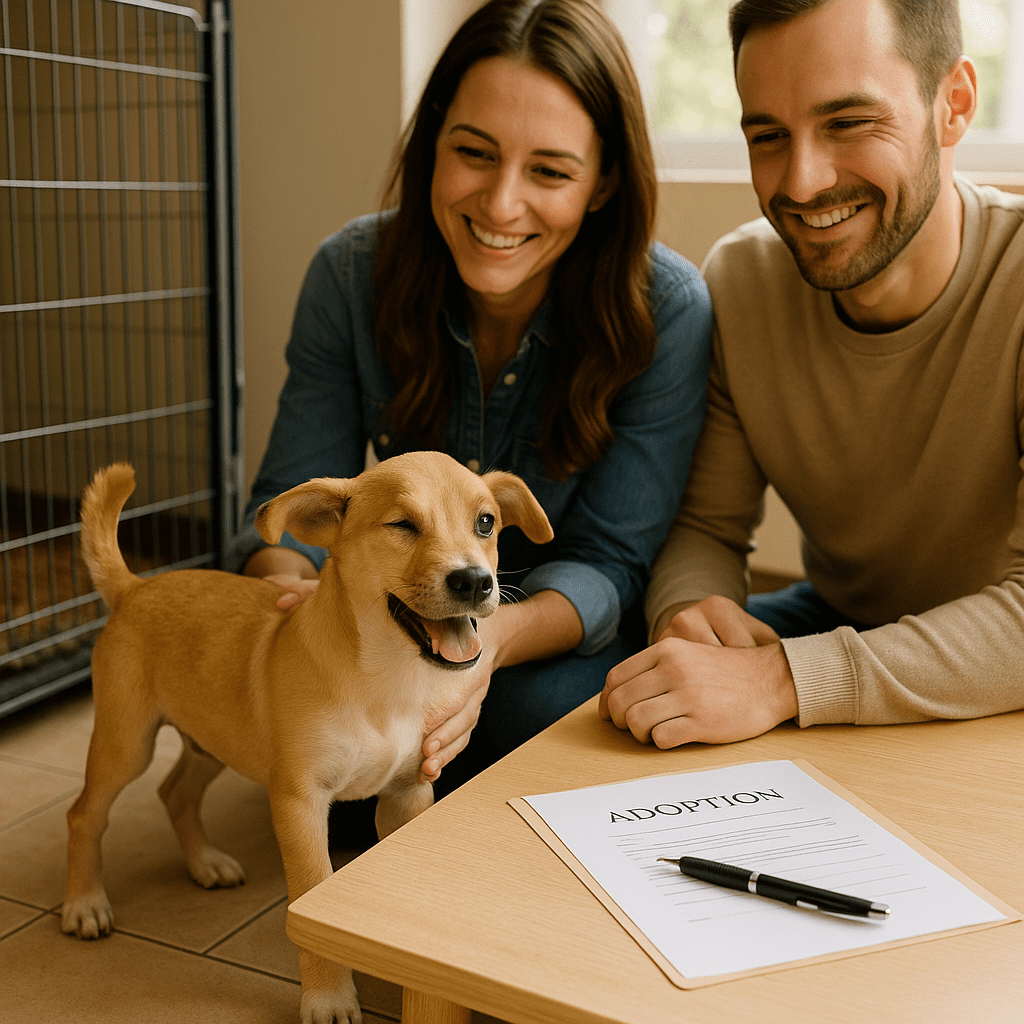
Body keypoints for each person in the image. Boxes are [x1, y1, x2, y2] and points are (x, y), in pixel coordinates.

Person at [226, 0, 713, 792]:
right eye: (474, 154)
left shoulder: (668, 308)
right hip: (388, 621)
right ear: (431, 148)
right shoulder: (348, 277)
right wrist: (295, 597)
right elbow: (287, 509)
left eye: (550, 171)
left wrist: (487, 646)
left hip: (540, 635)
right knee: (326, 736)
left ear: (602, 183)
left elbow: (612, 562)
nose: (500, 204)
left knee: (549, 721)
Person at [601, 0, 1024, 748]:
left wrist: (781, 680)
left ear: (953, 104)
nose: (799, 184)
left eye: (849, 123)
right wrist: (691, 618)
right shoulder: (741, 280)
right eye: (768, 136)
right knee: (614, 703)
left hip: (994, 661)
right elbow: (705, 525)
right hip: (843, 624)